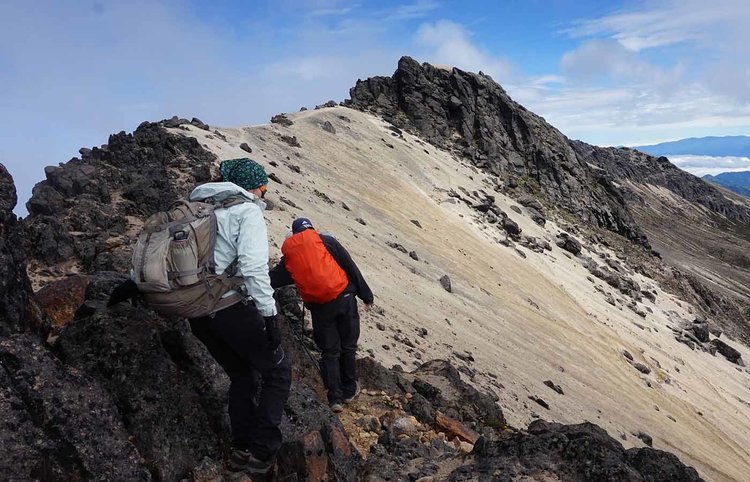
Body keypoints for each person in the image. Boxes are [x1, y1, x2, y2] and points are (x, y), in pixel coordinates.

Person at [187, 158, 291, 475]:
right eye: (262, 184)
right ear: (250, 185)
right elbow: (254, 268)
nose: (264, 190)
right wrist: (270, 316)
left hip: (197, 312)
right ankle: (261, 455)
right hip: (227, 305)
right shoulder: (246, 212)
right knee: (278, 372)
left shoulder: (198, 208)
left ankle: (241, 451)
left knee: (243, 376)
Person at [270, 217, 373, 412]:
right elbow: (350, 267)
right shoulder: (326, 241)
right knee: (349, 346)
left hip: (320, 308)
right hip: (344, 299)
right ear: (311, 229)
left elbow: (274, 279)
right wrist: (366, 295)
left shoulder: (291, 255)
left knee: (330, 351)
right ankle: (350, 391)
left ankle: (335, 398)